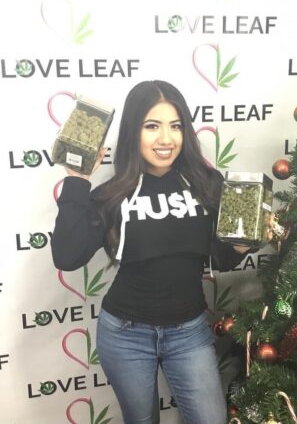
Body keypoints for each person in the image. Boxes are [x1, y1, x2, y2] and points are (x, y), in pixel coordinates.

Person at [51, 80, 252, 424]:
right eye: (152, 126)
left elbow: (222, 258)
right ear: (133, 131)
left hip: (189, 332)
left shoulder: (208, 184)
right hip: (126, 334)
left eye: (175, 126)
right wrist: (76, 179)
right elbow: (67, 257)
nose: (165, 139)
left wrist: (240, 244)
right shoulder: (111, 194)